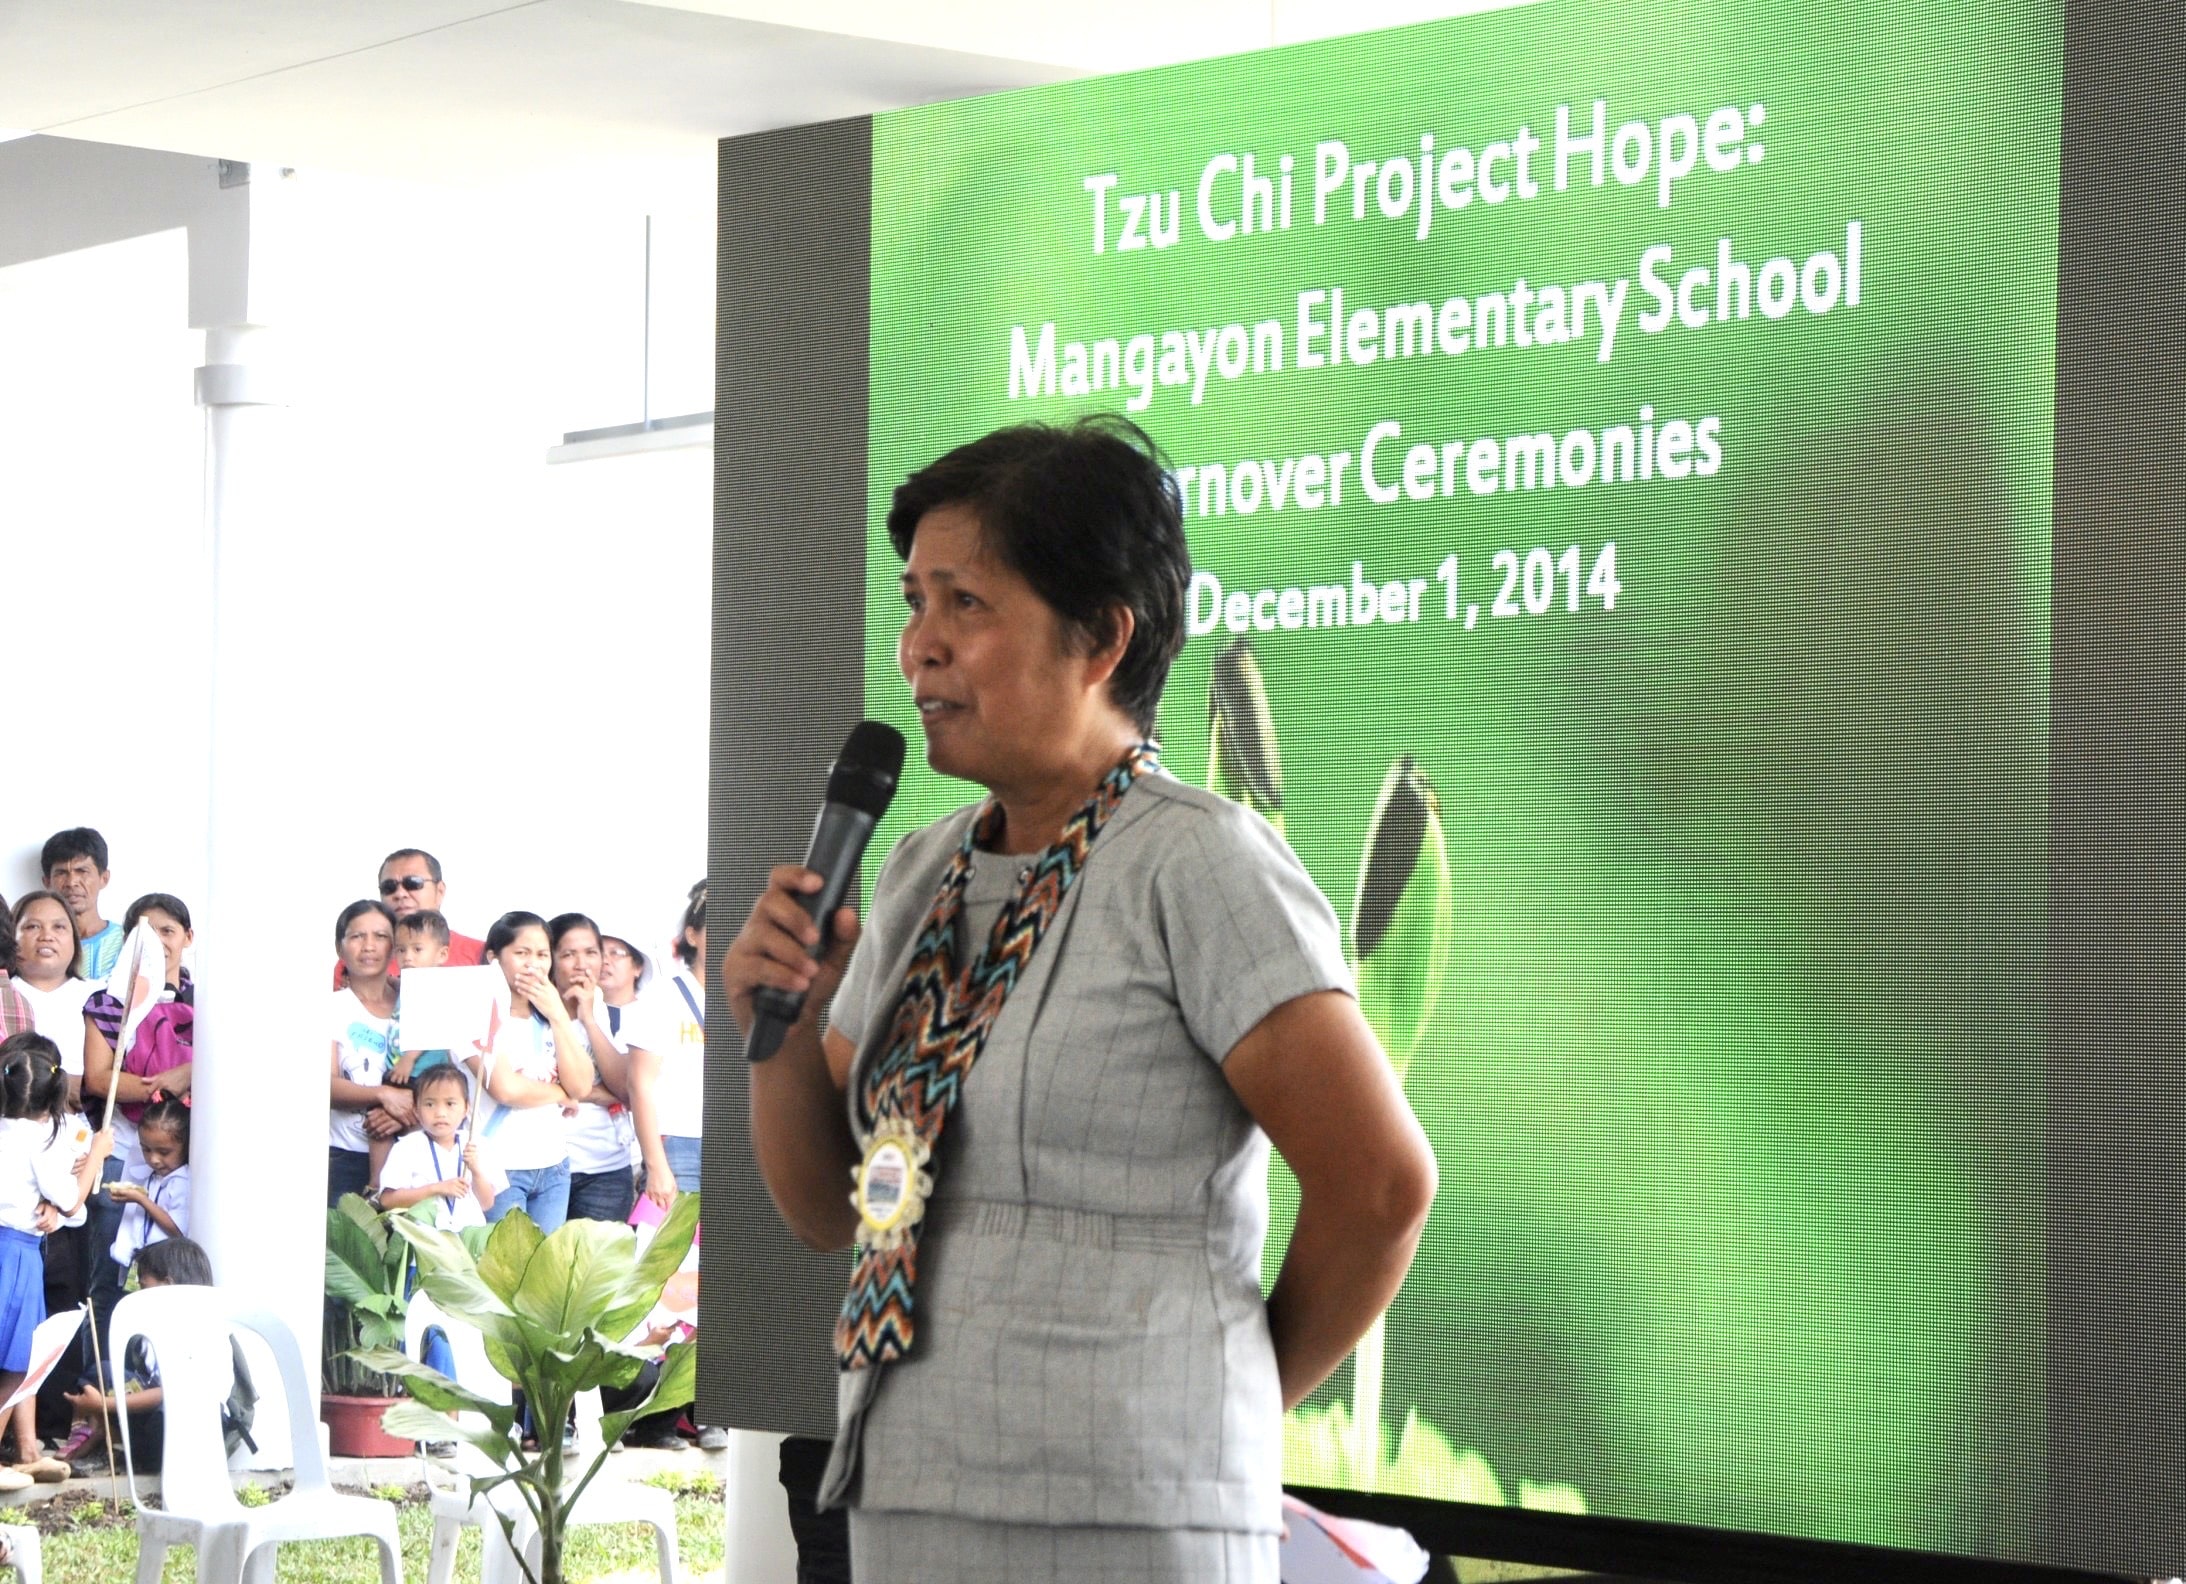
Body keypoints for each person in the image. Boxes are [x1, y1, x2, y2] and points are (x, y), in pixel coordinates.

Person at [726, 416, 1437, 1582]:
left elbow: (1380, 1186)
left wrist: (1221, 1393)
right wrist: (783, 1031)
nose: (919, 649)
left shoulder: (1197, 864)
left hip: (1129, 1510)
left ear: (1102, 636)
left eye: (965, 604)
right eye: (913, 604)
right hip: (908, 1482)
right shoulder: (915, 872)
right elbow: (826, 1213)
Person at [81, 892, 195, 1345]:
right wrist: (166, 1082)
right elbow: (97, 1079)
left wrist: (193, 1072)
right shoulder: (107, 1003)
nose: (157, 940)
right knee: (108, 1273)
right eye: (144, 931)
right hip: (123, 1150)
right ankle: (102, 1384)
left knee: (179, 1271)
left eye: (168, 930)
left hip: (190, 1158)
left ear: (188, 937)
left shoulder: (212, 1003)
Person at [0, 1033, 111, 1486]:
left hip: (13, 1243)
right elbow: (69, 1201)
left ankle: (26, 1449)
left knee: (19, 1352)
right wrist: (96, 1158)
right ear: (54, 1097)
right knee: (20, 1359)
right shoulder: (42, 1137)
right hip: (16, 1253)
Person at [61, 1236, 255, 1476]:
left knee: (164, 1418)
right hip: (158, 1407)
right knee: (102, 1372)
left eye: (143, 1286)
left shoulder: (203, 1329)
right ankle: (102, 1434)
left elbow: (173, 1393)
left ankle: (152, 1460)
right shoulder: (153, 1330)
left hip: (197, 1427)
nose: (138, 1294)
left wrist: (105, 1404)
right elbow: (145, 1382)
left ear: (168, 1285)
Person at [466, 911, 592, 1233]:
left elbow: (582, 1085)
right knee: (503, 1276)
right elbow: (506, 1089)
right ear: (494, 957)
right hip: (498, 1167)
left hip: (553, 1166)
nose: (533, 964)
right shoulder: (473, 1014)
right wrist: (562, 1093)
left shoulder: (548, 1018)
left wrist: (559, 1016)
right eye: (521, 953)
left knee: (542, 1278)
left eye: (541, 955)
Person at [548, 914, 637, 1225]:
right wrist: (597, 1093)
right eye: (568, 954)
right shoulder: (534, 1017)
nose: (581, 964)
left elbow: (626, 1090)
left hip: (606, 1171)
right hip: (546, 1166)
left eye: (590, 953)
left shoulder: (617, 1016)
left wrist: (589, 1018)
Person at [632, 883, 707, 1211]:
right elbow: (639, 1084)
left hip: (740, 1148)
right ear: (692, 936)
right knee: (675, 1259)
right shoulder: (663, 996)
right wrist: (657, 1165)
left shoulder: (749, 1000)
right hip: (679, 1147)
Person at [327, 900, 402, 1206]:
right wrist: (384, 1095)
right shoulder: (330, 1008)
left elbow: (442, 1076)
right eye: (357, 936)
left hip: (415, 1155)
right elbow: (326, 1086)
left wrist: (403, 1115)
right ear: (339, 948)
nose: (369, 946)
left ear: (395, 946)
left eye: (380, 936)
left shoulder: (418, 1001)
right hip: (345, 1159)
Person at [377, 1064, 504, 1230]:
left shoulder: (477, 1144)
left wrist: (476, 1171)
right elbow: (388, 1201)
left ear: (466, 1108)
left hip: (468, 1243)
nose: (440, 1113)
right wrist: (437, 1189)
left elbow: (486, 1204)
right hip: (425, 1244)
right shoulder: (407, 1147)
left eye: (450, 1104)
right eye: (430, 1104)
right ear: (416, 1110)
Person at [334, 849, 485, 988]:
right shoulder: (361, 959)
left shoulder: (480, 953)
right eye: (389, 887)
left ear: (440, 891)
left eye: (413, 883)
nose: (400, 894)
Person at [9, 892, 91, 1103]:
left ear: (75, 938)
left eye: (59, 927)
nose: (47, 935)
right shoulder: (4, 996)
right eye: (32, 926)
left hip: (86, 1124)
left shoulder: (99, 998)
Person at [106, 1095, 189, 1274]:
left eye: (164, 1152)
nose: (154, 1159)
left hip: (167, 1267)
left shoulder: (182, 1182)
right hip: (145, 1259)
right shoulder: (153, 1175)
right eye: (146, 1149)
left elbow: (178, 1229)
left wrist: (142, 1200)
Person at [39, 829, 121, 983]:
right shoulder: (36, 943)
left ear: (104, 878)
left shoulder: (128, 942)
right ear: (47, 882)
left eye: (82, 871)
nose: (71, 882)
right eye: (62, 873)